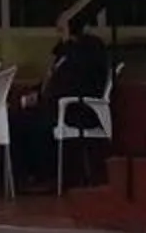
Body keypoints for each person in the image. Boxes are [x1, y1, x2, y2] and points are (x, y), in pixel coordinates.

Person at [11, 12, 113, 190]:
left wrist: (43, 98)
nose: (59, 34)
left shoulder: (88, 50)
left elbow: (73, 84)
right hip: (52, 104)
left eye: (62, 29)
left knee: (31, 123)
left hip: (76, 110)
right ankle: (24, 176)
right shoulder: (64, 53)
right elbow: (51, 81)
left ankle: (45, 176)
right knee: (16, 118)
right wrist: (35, 94)